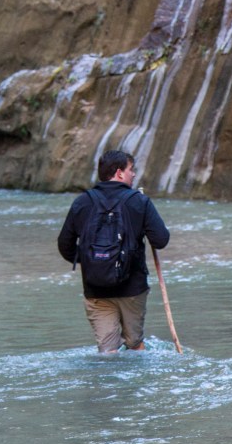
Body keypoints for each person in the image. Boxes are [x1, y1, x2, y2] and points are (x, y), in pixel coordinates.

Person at [57, 149, 170, 353]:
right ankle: (134, 383)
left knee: (107, 352)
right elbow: (161, 240)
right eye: (131, 170)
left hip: (95, 290)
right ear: (119, 173)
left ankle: (109, 384)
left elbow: (65, 245)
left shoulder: (82, 202)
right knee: (135, 344)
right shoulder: (139, 201)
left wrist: (94, 262)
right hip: (132, 290)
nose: (133, 174)